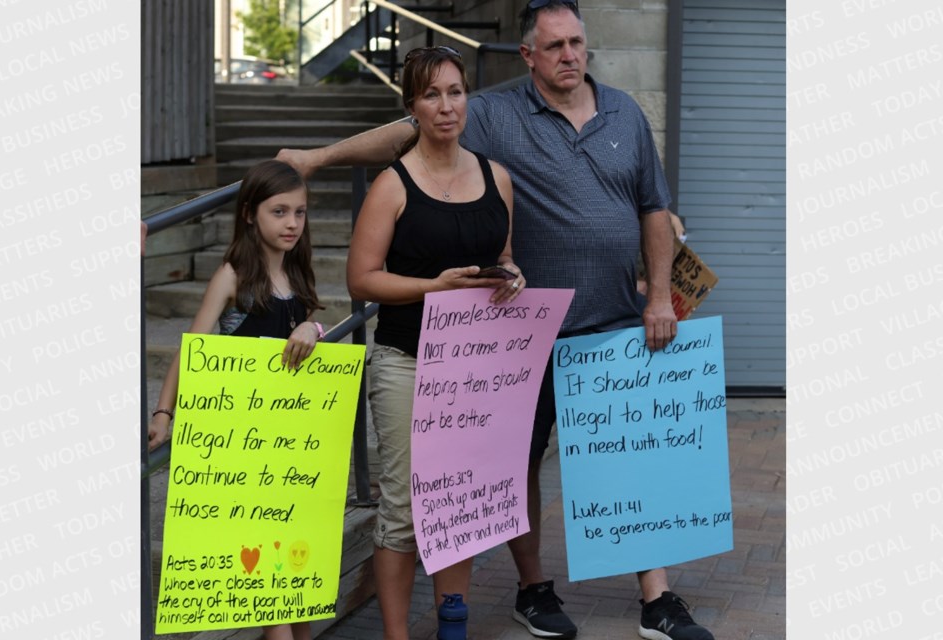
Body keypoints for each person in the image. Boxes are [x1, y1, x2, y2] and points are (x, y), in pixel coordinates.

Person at [277, 3, 715, 639]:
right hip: (522, 335)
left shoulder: (624, 112)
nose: (570, 55)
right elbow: (404, 132)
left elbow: (654, 206)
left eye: (577, 43)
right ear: (527, 56)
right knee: (514, 466)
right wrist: (316, 160)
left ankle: (658, 599)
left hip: (616, 320)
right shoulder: (493, 113)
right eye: (555, 46)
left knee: (630, 460)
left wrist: (657, 299)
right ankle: (533, 589)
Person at [345, 44, 523, 640]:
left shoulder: (496, 177)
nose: (446, 106)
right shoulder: (393, 185)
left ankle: (452, 622)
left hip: (474, 367)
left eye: (455, 92)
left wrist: (512, 275)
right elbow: (361, 278)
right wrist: (433, 287)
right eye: (431, 95)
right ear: (411, 107)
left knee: (460, 500)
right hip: (407, 362)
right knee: (401, 509)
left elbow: (500, 257)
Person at [146, 159, 325, 640]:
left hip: (287, 443)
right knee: (272, 593)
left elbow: (307, 332)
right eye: (279, 212)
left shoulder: (298, 270)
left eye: (301, 213)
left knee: (293, 579)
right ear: (249, 214)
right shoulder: (233, 277)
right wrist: (164, 412)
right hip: (243, 447)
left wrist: (315, 327)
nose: (292, 223)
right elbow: (192, 349)